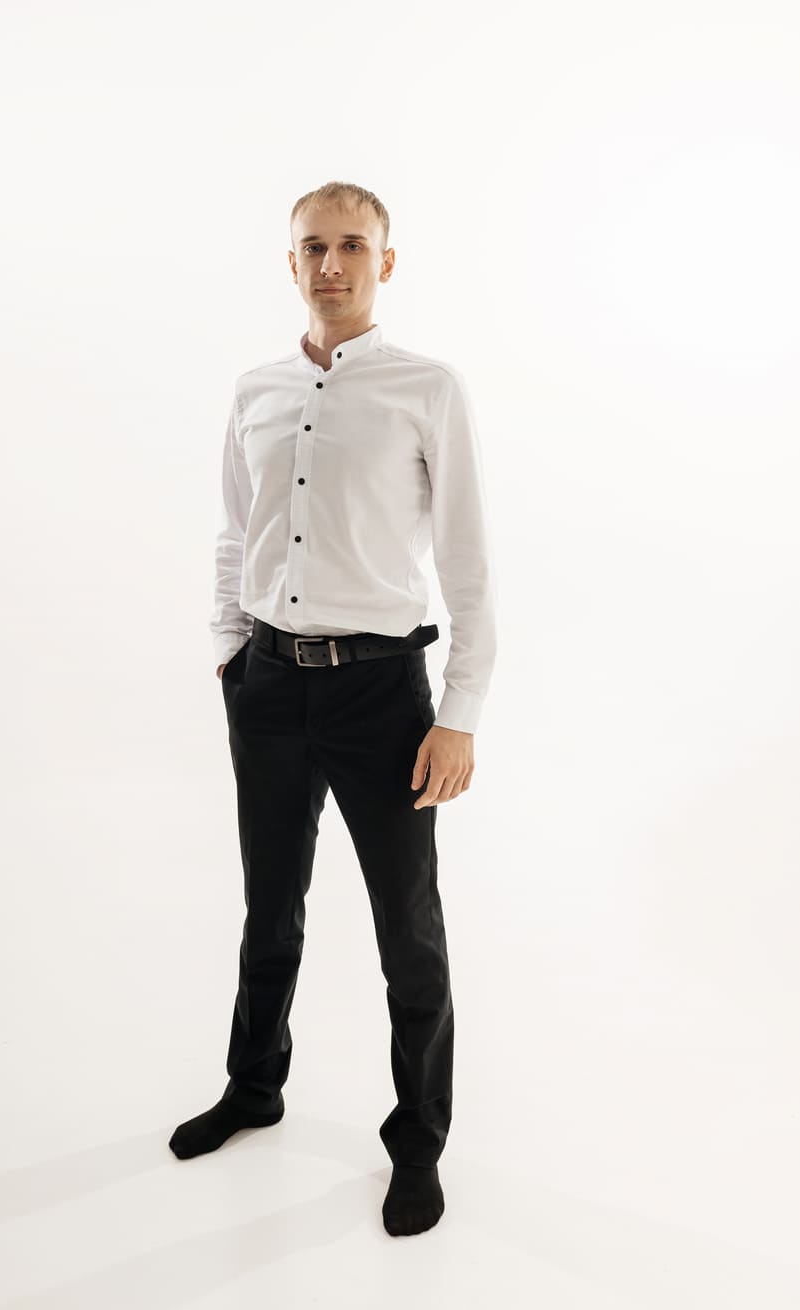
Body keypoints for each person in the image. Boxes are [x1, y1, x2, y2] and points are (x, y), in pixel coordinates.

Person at [169, 180, 497, 1237]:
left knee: (408, 927)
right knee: (269, 905)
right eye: (313, 246)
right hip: (265, 686)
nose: (331, 265)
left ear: (384, 262)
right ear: (291, 261)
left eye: (353, 245)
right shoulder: (256, 389)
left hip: (380, 695)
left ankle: (418, 1142)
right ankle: (253, 1085)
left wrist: (459, 711)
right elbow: (236, 532)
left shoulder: (426, 388)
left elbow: (466, 560)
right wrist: (230, 651)